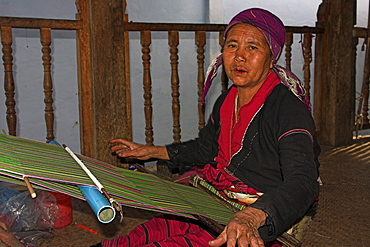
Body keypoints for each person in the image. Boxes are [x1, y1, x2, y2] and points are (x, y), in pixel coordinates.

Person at [107, 7, 320, 247]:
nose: (239, 56)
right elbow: (206, 149)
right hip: (218, 194)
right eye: (232, 45)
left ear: (271, 58)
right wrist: (150, 151)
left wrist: (252, 217)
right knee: (138, 237)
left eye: (252, 47)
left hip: (259, 208)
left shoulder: (289, 111)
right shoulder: (227, 100)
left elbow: (303, 181)